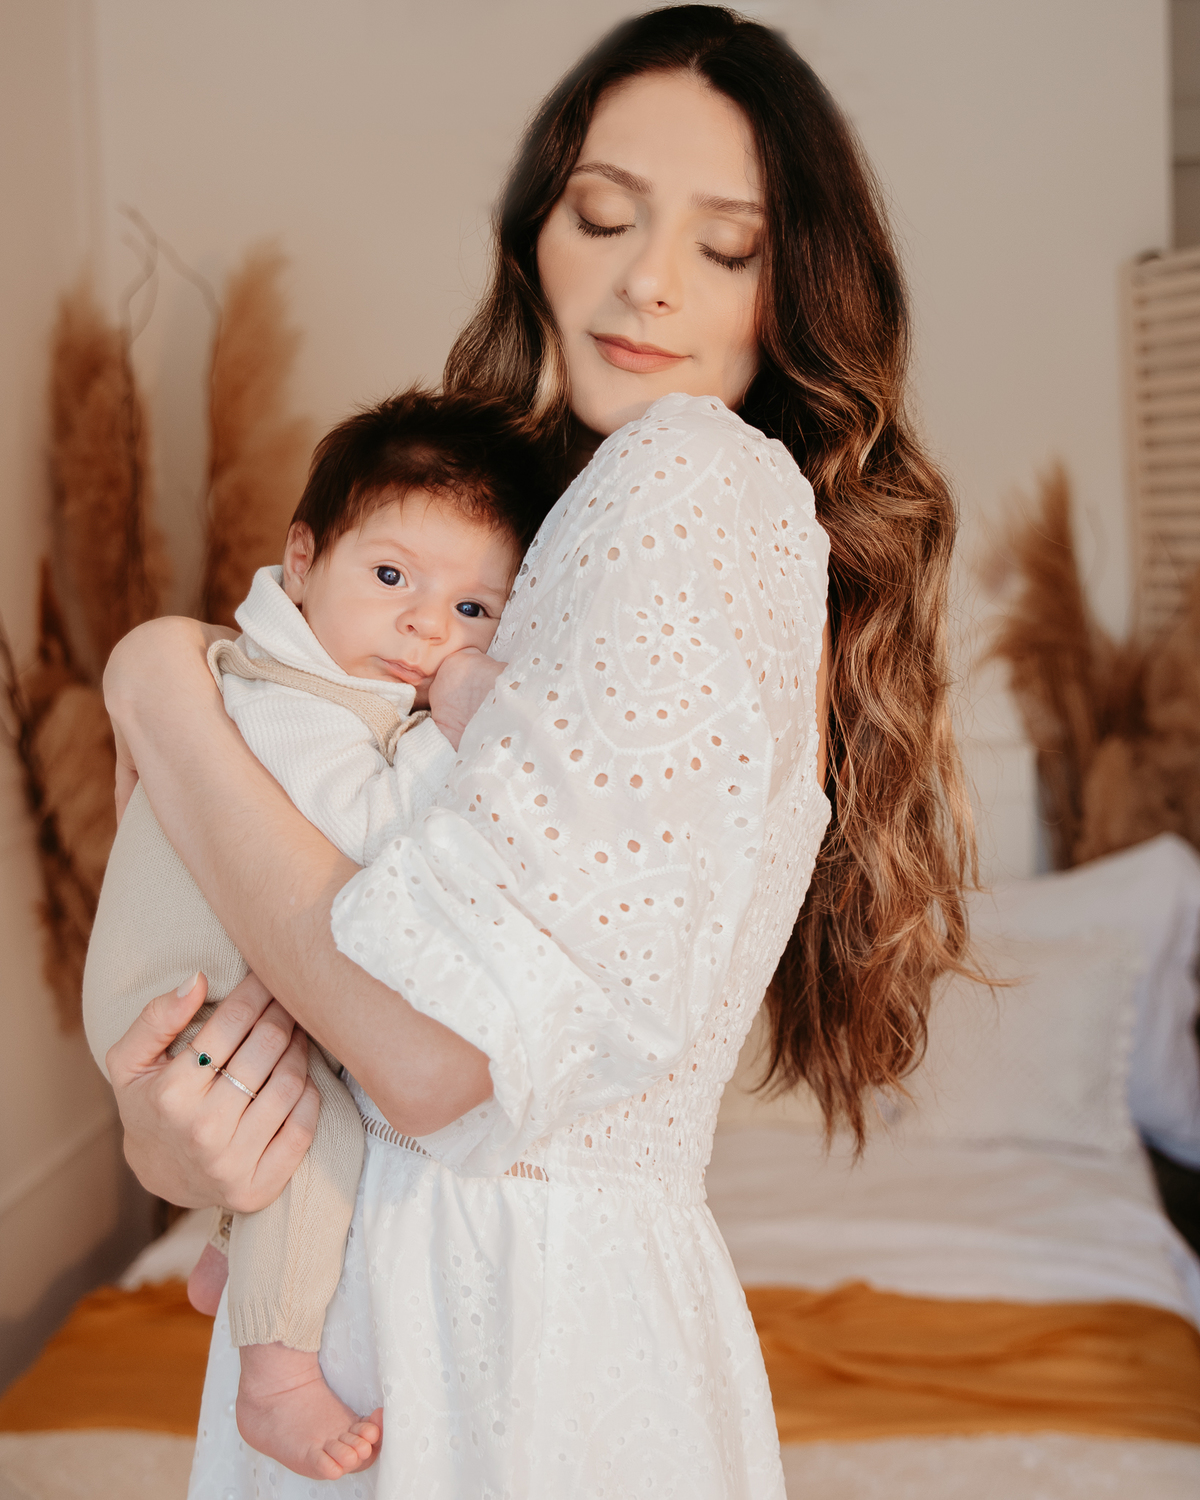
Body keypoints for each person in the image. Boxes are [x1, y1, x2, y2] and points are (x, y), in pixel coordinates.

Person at [101, 8, 974, 1496]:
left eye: (728, 245)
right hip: (428, 1303)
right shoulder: (538, 534)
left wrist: (161, 691)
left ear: (797, 291)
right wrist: (175, 1142)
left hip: (502, 1336)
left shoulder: (691, 484)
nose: (645, 280)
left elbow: (437, 1060)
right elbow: (329, 1012)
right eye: (606, 214)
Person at [84, 386, 557, 1478]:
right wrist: (463, 725)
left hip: (229, 980)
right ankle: (277, 1375)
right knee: (315, 1132)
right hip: (177, 993)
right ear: (301, 563)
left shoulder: (313, 677)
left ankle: (229, 1257)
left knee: (313, 1101)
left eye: (474, 611)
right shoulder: (286, 696)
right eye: (392, 578)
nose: (426, 628)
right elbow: (377, 831)